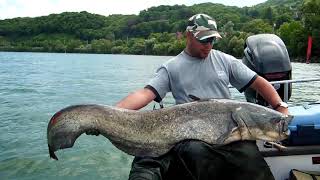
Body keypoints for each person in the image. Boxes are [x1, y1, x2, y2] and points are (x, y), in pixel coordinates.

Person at [116, 13, 289, 180]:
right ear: (188, 35)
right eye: (203, 40)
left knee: (250, 158)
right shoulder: (172, 67)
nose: (208, 45)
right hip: (191, 134)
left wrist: (280, 106)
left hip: (230, 132)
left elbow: (259, 83)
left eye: (212, 40)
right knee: (192, 153)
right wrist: (112, 114)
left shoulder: (225, 60)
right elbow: (145, 93)